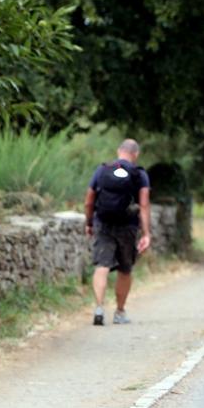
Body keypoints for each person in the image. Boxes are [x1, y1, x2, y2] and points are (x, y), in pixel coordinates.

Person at [84, 139, 151, 326]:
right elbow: (144, 205)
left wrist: (89, 222)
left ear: (118, 151)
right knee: (125, 268)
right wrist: (146, 233)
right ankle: (119, 312)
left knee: (101, 266)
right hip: (127, 226)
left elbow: (89, 200)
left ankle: (98, 307)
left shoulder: (102, 170)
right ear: (135, 154)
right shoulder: (139, 174)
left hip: (103, 223)